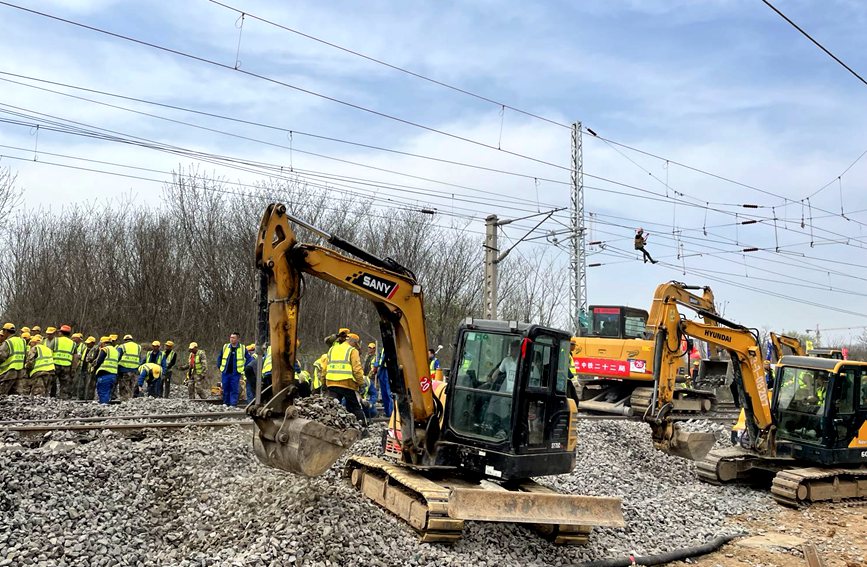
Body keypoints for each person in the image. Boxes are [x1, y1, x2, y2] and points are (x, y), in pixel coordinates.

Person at [325, 329, 366, 424]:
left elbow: (325, 368)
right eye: (356, 344)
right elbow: (357, 369)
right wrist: (361, 384)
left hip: (331, 383)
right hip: (347, 383)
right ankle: (363, 428)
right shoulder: (352, 350)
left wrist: (324, 382)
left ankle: (331, 427)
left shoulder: (332, 349)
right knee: (355, 407)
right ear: (354, 342)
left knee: (333, 408)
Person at [216, 332, 253, 406]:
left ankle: (233, 404)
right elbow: (220, 357)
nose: (231, 339)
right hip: (225, 372)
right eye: (230, 337)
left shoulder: (242, 348)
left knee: (234, 388)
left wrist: (244, 367)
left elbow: (249, 359)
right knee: (225, 387)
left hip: (235, 373)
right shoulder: (225, 346)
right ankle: (226, 403)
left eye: (233, 338)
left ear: (238, 339)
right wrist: (219, 366)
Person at [0, 323, 27, 396]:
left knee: (2, 395)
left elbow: (1, 356)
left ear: (6, 331)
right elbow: (25, 356)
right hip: (20, 372)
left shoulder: (7, 342)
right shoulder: (22, 341)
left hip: (8, 372)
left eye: (3, 331)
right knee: (16, 396)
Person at [92, 336, 119, 404]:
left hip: (104, 374)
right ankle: (107, 406)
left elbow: (99, 361)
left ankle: (104, 408)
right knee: (108, 393)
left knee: (103, 392)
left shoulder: (105, 349)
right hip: (113, 375)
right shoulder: (115, 350)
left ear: (103, 343)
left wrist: (94, 369)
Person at [53, 325, 77, 399]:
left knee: (52, 382)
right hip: (67, 366)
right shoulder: (73, 344)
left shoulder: (55, 340)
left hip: (55, 364)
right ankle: (63, 398)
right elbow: (75, 357)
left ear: (61, 333)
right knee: (65, 384)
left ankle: (52, 397)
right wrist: (73, 369)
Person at [117, 334, 142, 400]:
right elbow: (139, 357)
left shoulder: (122, 346)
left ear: (125, 340)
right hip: (135, 369)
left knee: (124, 386)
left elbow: (117, 357)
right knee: (132, 385)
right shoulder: (138, 347)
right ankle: (131, 399)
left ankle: (124, 399)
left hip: (124, 369)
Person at [372, 348, 393, 418]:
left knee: (389, 393)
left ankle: (392, 413)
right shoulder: (384, 348)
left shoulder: (394, 346)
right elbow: (380, 357)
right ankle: (388, 413)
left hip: (389, 370)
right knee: (385, 394)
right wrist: (376, 365)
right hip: (382, 370)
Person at [81, 336, 98, 400]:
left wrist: (89, 359)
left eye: (89, 343)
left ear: (93, 343)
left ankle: (89, 398)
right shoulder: (87, 349)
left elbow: (94, 359)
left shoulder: (95, 350)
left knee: (90, 385)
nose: (87, 344)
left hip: (92, 371)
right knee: (84, 385)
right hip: (86, 369)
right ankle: (84, 397)